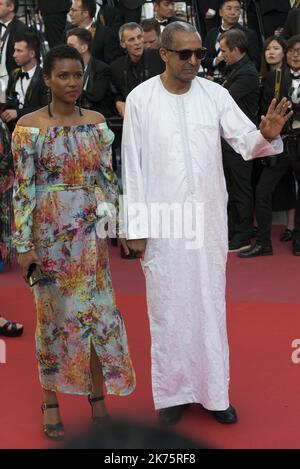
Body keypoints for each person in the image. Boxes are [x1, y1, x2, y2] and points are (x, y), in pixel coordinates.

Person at [121, 21, 291, 425]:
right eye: (185, 54)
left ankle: (215, 393)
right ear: (163, 53)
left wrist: (265, 134)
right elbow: (132, 166)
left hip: (207, 217)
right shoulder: (140, 99)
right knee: (167, 307)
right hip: (162, 221)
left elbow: (246, 140)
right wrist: (135, 227)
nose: (195, 61)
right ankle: (174, 394)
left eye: (199, 53)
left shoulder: (215, 94)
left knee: (209, 303)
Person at [12, 44, 136, 441]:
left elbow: (107, 180)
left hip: (89, 240)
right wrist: (23, 245)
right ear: (46, 79)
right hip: (48, 238)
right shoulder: (29, 126)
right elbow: (22, 190)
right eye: (63, 75)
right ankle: (50, 402)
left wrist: (118, 226)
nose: (72, 83)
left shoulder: (97, 122)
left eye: (77, 75)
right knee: (53, 321)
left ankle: (97, 398)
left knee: (99, 318)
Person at [239, 35, 300, 257]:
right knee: (262, 190)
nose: (296, 55)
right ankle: (264, 242)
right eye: (292, 51)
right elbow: (266, 109)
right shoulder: (275, 77)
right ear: (286, 53)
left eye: (299, 51)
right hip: (282, 142)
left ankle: (298, 240)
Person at [219, 29, 260, 252]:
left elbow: (225, 99)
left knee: (241, 189)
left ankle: (243, 235)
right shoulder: (234, 69)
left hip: (241, 141)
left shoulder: (247, 74)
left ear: (236, 49)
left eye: (224, 50)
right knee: (232, 188)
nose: (222, 54)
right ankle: (234, 230)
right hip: (229, 141)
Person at [259, 35, 296, 243]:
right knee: (265, 188)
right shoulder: (264, 77)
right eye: (268, 49)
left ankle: (291, 228)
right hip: (270, 139)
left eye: (276, 48)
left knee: (287, 183)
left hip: (287, 138)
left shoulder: (289, 78)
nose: (271, 52)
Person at [110, 22, 165, 119]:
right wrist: (118, 102)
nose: (137, 42)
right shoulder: (116, 67)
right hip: (131, 117)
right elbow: (115, 93)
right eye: (131, 39)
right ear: (123, 44)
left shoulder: (160, 59)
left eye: (139, 37)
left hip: (159, 114)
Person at [203, 0, 261, 79]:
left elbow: (255, 62)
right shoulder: (212, 33)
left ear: (240, 12)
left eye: (237, 9)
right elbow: (203, 59)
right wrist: (215, 61)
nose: (233, 12)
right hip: (210, 79)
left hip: (236, 79)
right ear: (220, 12)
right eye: (229, 8)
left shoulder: (249, 34)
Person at [1, 32, 48, 128]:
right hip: (12, 130)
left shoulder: (45, 77)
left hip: (35, 131)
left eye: (19, 51)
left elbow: (46, 108)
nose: (14, 55)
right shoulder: (14, 74)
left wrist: (18, 113)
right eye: (14, 50)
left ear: (32, 54)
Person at [66, 27, 114, 116]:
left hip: (96, 118)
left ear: (84, 48)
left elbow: (96, 96)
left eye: (71, 46)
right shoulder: (67, 70)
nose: (67, 50)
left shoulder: (102, 69)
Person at [0, 0, 28, 94]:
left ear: (10, 7)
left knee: (5, 107)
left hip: (9, 77)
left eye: (0, 4)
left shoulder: (22, 29)